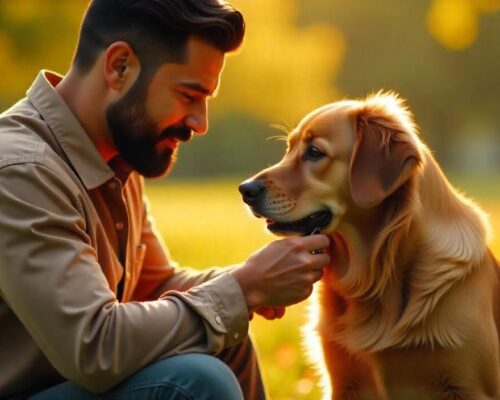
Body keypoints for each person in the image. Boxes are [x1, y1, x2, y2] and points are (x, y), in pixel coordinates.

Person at [0, 1, 331, 399]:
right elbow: (94, 347)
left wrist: (257, 277)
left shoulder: (115, 158)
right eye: (189, 95)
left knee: (222, 336)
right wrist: (243, 289)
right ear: (119, 67)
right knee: (196, 380)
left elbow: (154, 287)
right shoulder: (21, 170)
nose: (200, 122)